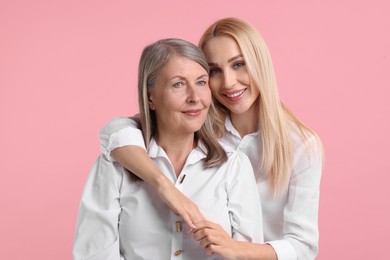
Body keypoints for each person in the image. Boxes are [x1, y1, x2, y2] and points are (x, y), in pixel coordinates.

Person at [99, 17, 323, 260]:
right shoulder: (196, 125)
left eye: (239, 65)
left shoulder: (301, 145)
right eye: (214, 71)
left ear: (260, 64)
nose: (228, 82)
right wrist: (164, 186)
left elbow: (303, 246)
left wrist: (236, 249)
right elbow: (115, 131)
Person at [73, 38, 263, 260]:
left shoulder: (233, 166)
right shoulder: (115, 165)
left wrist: (229, 248)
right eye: (178, 84)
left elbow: (248, 251)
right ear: (150, 96)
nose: (195, 97)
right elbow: (94, 253)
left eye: (201, 82)